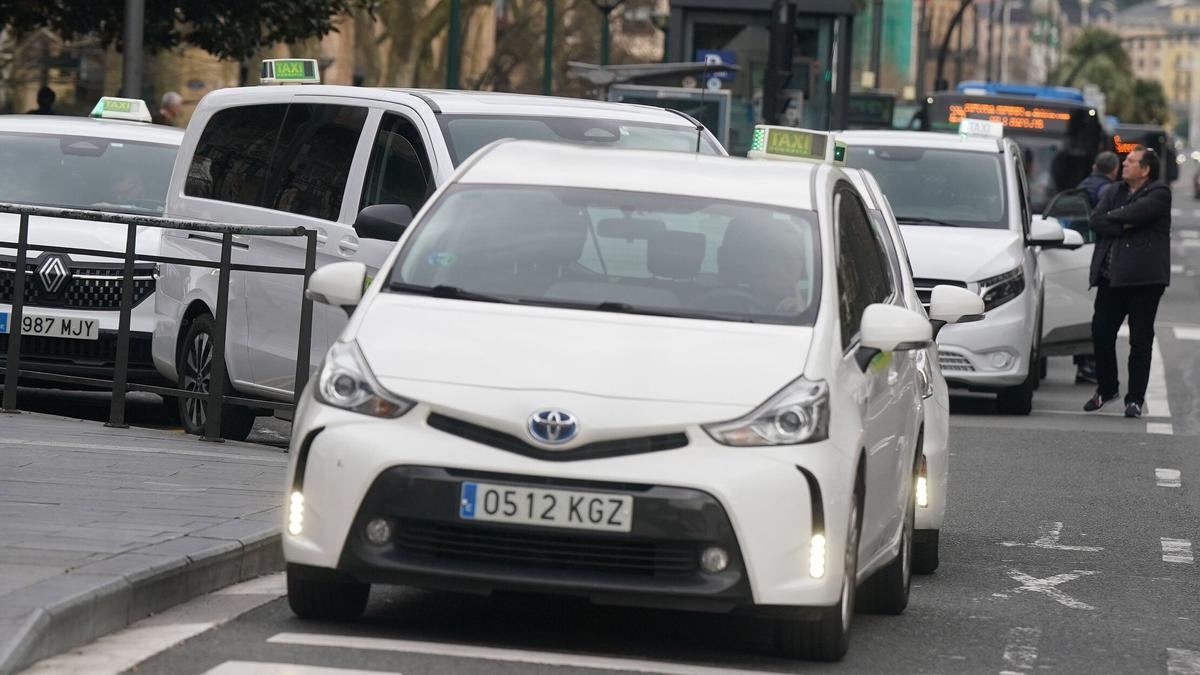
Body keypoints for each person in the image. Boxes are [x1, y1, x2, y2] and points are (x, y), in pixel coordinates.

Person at [1083, 146, 1171, 418]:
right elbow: (1096, 220)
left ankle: (1135, 399)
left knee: (1140, 340)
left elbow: (1139, 214)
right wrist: (1123, 224)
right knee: (1101, 333)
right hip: (1111, 278)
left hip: (1144, 280)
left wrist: (1118, 219)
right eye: (1125, 160)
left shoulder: (1159, 192)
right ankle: (1107, 388)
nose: (1124, 164)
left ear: (1145, 170)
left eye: (1131, 161)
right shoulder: (1115, 190)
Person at [1071, 150, 1120, 385]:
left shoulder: (1082, 186)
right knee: (1096, 317)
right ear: (1114, 171)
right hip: (1094, 251)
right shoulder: (1108, 191)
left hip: (1073, 248)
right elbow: (1108, 221)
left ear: (1093, 166)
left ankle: (1083, 362)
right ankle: (1088, 364)